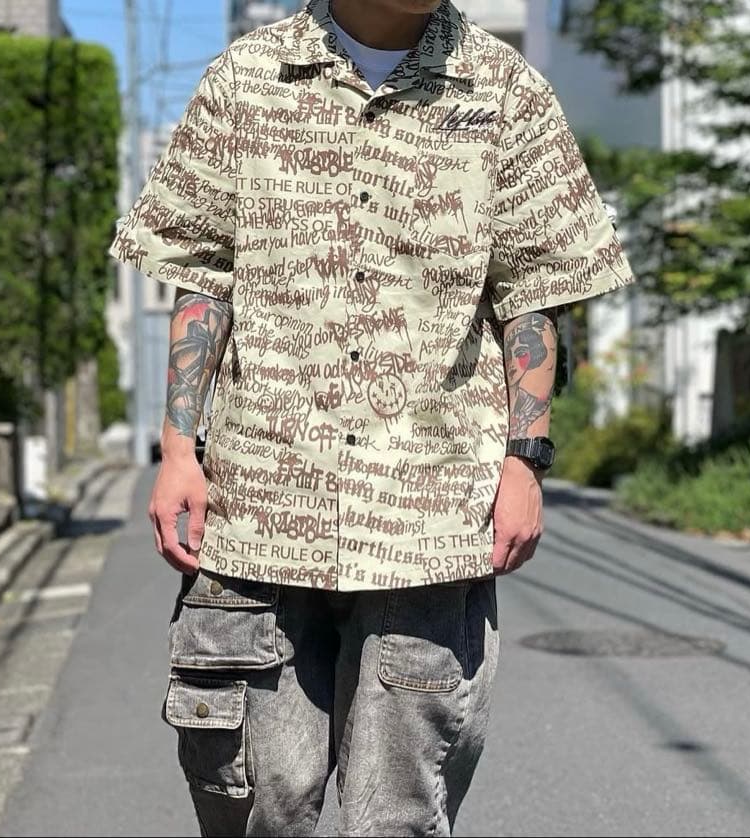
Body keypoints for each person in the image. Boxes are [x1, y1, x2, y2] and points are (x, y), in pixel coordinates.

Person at [109, 0, 635, 834]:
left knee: (399, 815)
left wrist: (524, 459)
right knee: (260, 804)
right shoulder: (247, 80)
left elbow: (532, 295)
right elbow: (202, 275)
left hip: (430, 521)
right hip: (258, 509)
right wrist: (179, 450)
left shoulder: (505, 91)